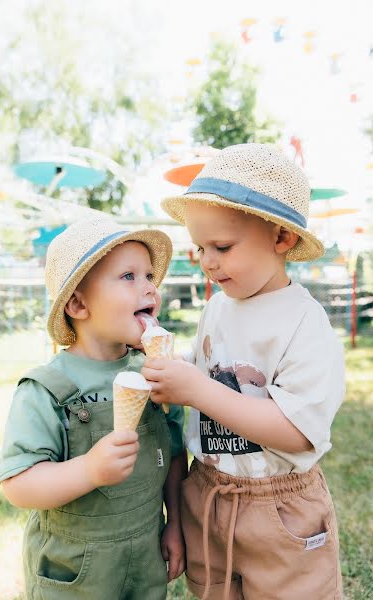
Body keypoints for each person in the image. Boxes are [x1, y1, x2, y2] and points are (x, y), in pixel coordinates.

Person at [142, 144, 344, 600]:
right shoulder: (217, 308)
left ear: (281, 239)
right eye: (199, 247)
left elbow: (297, 431)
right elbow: (201, 374)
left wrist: (196, 390)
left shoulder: (303, 323)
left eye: (222, 247)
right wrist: (171, 372)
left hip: (280, 509)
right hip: (211, 492)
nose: (207, 261)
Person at [0, 214, 187, 600]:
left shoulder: (157, 375)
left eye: (150, 276)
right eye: (129, 277)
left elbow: (173, 452)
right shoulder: (46, 389)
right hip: (75, 571)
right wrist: (89, 469)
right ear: (79, 304)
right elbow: (18, 485)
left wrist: (175, 524)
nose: (150, 288)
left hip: (145, 555)